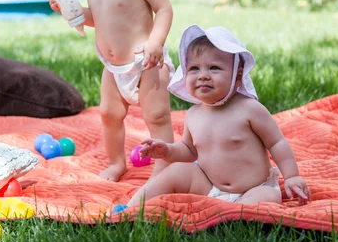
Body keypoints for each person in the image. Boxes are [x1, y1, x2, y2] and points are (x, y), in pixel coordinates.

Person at [47, 0, 175, 182]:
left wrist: (156, 42)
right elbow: (99, 19)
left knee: (156, 116)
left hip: (146, 63)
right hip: (113, 67)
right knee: (109, 114)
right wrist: (71, 11)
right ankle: (117, 163)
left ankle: (164, 167)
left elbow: (164, 8)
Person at [127, 25, 311, 207]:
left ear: (237, 76)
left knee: (268, 196)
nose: (203, 76)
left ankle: (232, 214)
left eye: (214, 68)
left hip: (254, 188)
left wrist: (292, 176)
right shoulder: (194, 115)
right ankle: (131, 207)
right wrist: (167, 151)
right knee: (176, 170)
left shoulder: (250, 109)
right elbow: (189, 151)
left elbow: (276, 143)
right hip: (210, 186)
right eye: (194, 69)